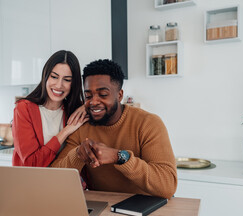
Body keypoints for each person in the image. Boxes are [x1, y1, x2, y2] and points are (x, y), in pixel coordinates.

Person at [51, 59, 177, 199]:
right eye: (88, 96)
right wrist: (78, 154)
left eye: (103, 95)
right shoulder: (82, 127)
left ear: (120, 95)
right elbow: (54, 178)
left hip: (145, 209)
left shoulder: (148, 124)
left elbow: (168, 186)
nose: (93, 102)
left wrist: (119, 157)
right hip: (102, 209)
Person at [12, 50, 88, 167]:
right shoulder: (24, 109)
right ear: (45, 76)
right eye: (54, 77)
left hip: (63, 181)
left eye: (67, 80)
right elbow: (31, 164)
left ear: (74, 84)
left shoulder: (74, 110)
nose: (58, 85)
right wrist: (65, 131)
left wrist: (86, 105)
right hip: (31, 182)